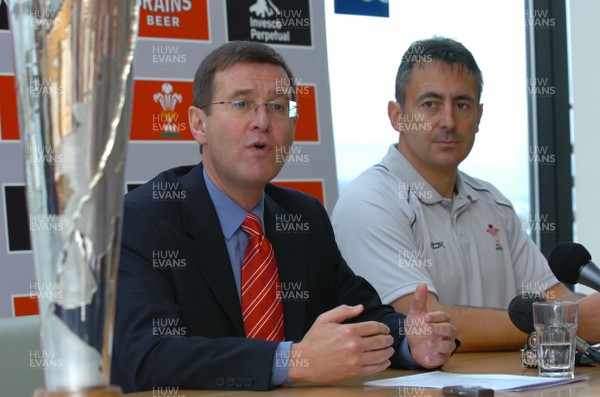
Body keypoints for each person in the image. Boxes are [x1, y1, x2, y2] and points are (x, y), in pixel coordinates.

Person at [111, 41, 457, 392]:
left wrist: (409, 341)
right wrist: (294, 360)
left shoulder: (302, 217)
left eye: (277, 107)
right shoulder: (143, 220)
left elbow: (359, 313)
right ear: (198, 125)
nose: (262, 122)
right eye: (242, 104)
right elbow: (146, 355)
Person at [332, 37, 600, 352]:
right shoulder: (370, 201)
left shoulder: (492, 202)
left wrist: (577, 313)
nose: (448, 121)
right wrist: (569, 322)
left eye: (462, 105)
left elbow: (553, 296)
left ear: (479, 116)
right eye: (430, 104)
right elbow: (425, 324)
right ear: (397, 115)